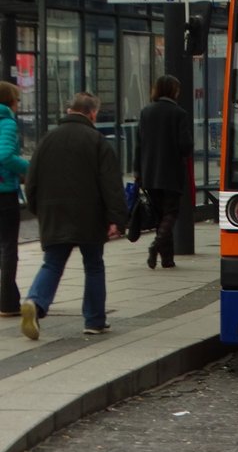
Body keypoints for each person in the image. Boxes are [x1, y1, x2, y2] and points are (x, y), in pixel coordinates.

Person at [20, 92, 126, 339]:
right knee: (93, 265)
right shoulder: (97, 141)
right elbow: (111, 184)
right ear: (93, 113)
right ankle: (94, 320)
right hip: (90, 214)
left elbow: (31, 181)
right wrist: (116, 219)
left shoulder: (47, 140)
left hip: (54, 212)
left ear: (69, 111)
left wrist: (39, 209)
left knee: (53, 262)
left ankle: (35, 302)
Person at [135, 75, 193, 270]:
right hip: (171, 172)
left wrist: (138, 170)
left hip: (150, 172)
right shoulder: (179, 114)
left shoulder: (146, 112)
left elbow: (139, 145)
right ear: (172, 91)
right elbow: (186, 146)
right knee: (171, 212)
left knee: (160, 214)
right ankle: (156, 246)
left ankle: (167, 259)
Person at [0, 82, 29, 318]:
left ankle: (10, 297)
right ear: (10, 101)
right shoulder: (7, 122)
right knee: (9, 247)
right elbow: (6, 155)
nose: (18, 105)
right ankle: (8, 303)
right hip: (4, 191)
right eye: (17, 100)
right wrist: (30, 167)